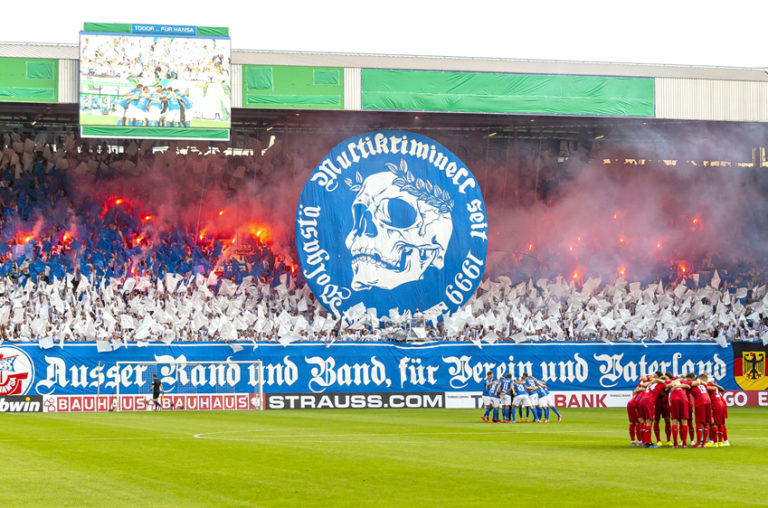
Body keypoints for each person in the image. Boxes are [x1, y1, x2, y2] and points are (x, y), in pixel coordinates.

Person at [689, 373, 712, 447]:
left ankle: (699, 443)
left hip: (700, 402)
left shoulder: (692, 384)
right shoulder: (703, 384)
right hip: (708, 401)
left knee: (699, 422)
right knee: (706, 423)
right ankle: (704, 443)